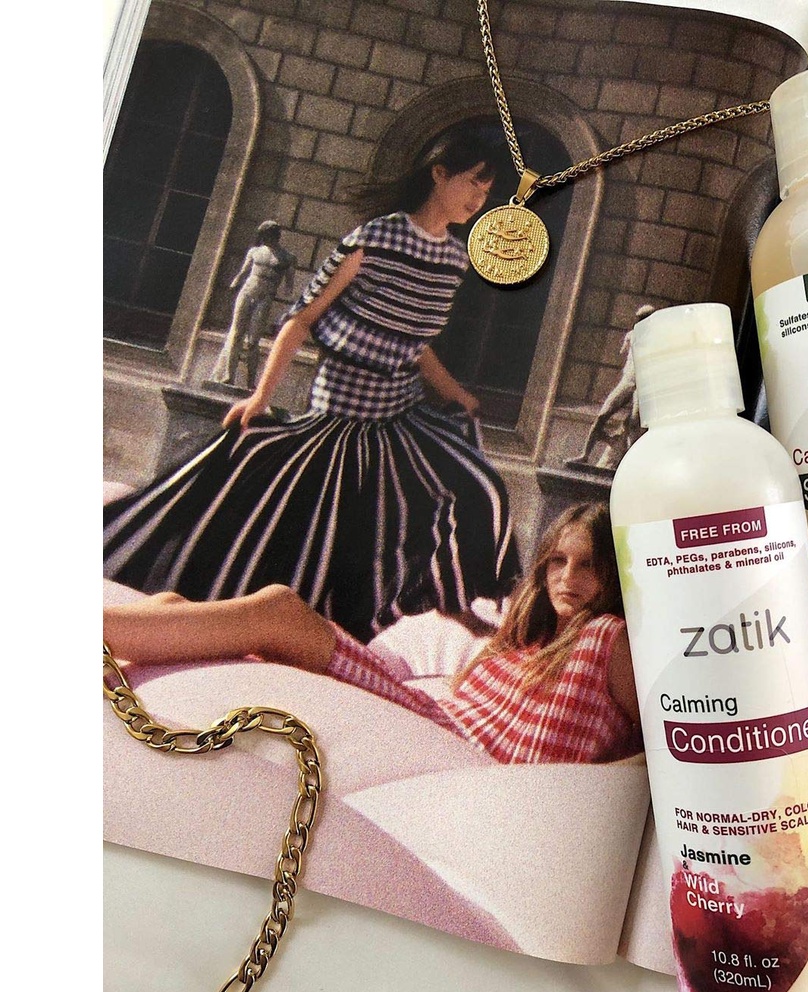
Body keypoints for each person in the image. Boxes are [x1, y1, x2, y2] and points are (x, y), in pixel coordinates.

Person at [104, 126, 520, 642]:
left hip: (398, 415)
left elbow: (415, 342)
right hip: (338, 414)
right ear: (439, 174)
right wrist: (261, 396)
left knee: (482, 488)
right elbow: (300, 319)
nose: (479, 199)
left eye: (487, 190)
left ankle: (452, 598)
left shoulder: (454, 259)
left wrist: (452, 391)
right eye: (473, 183)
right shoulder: (373, 239)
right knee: (308, 530)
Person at [104, 503, 642, 766]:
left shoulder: (608, 637)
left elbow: (666, 740)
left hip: (451, 752)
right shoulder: (529, 640)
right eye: (558, 562)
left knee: (280, 611)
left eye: (589, 566)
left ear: (615, 576)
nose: (568, 578)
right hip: (430, 720)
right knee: (178, 607)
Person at [211, 219, 297, 389]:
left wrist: (289, 293)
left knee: (253, 340)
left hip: (265, 297)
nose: (264, 238)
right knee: (236, 333)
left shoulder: (287, 257)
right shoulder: (255, 251)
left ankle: (250, 381)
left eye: (266, 235)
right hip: (247, 292)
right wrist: (235, 282)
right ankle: (228, 376)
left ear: (274, 235)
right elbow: (244, 271)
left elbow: (289, 282)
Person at [574, 304, 656, 467]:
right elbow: (623, 353)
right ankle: (585, 454)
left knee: (634, 424)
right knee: (602, 415)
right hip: (628, 381)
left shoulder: (656, 340)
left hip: (642, 386)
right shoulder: (631, 336)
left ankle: (629, 462)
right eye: (640, 319)